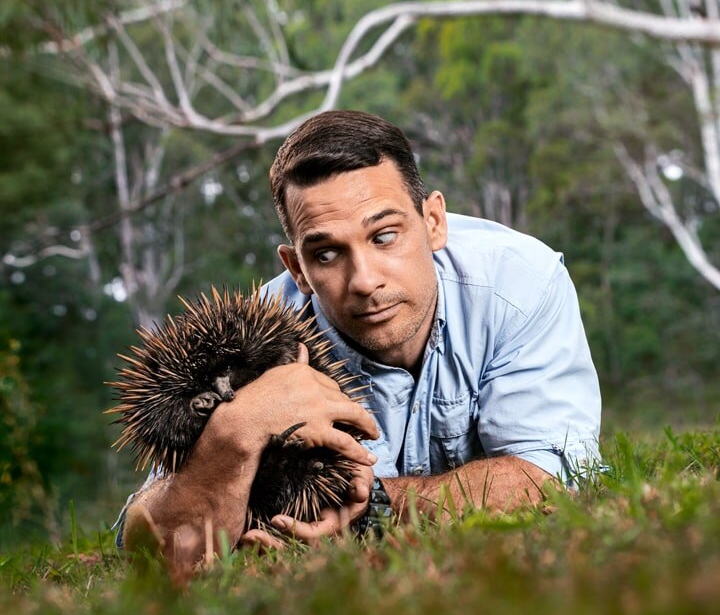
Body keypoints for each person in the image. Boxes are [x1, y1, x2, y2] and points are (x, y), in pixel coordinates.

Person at [119, 110, 601, 565]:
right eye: (327, 254)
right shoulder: (248, 337)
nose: (365, 280)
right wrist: (240, 426)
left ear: (433, 222)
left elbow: (552, 475)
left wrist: (374, 506)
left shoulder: (518, 285)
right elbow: (149, 535)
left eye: (384, 236)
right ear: (297, 269)